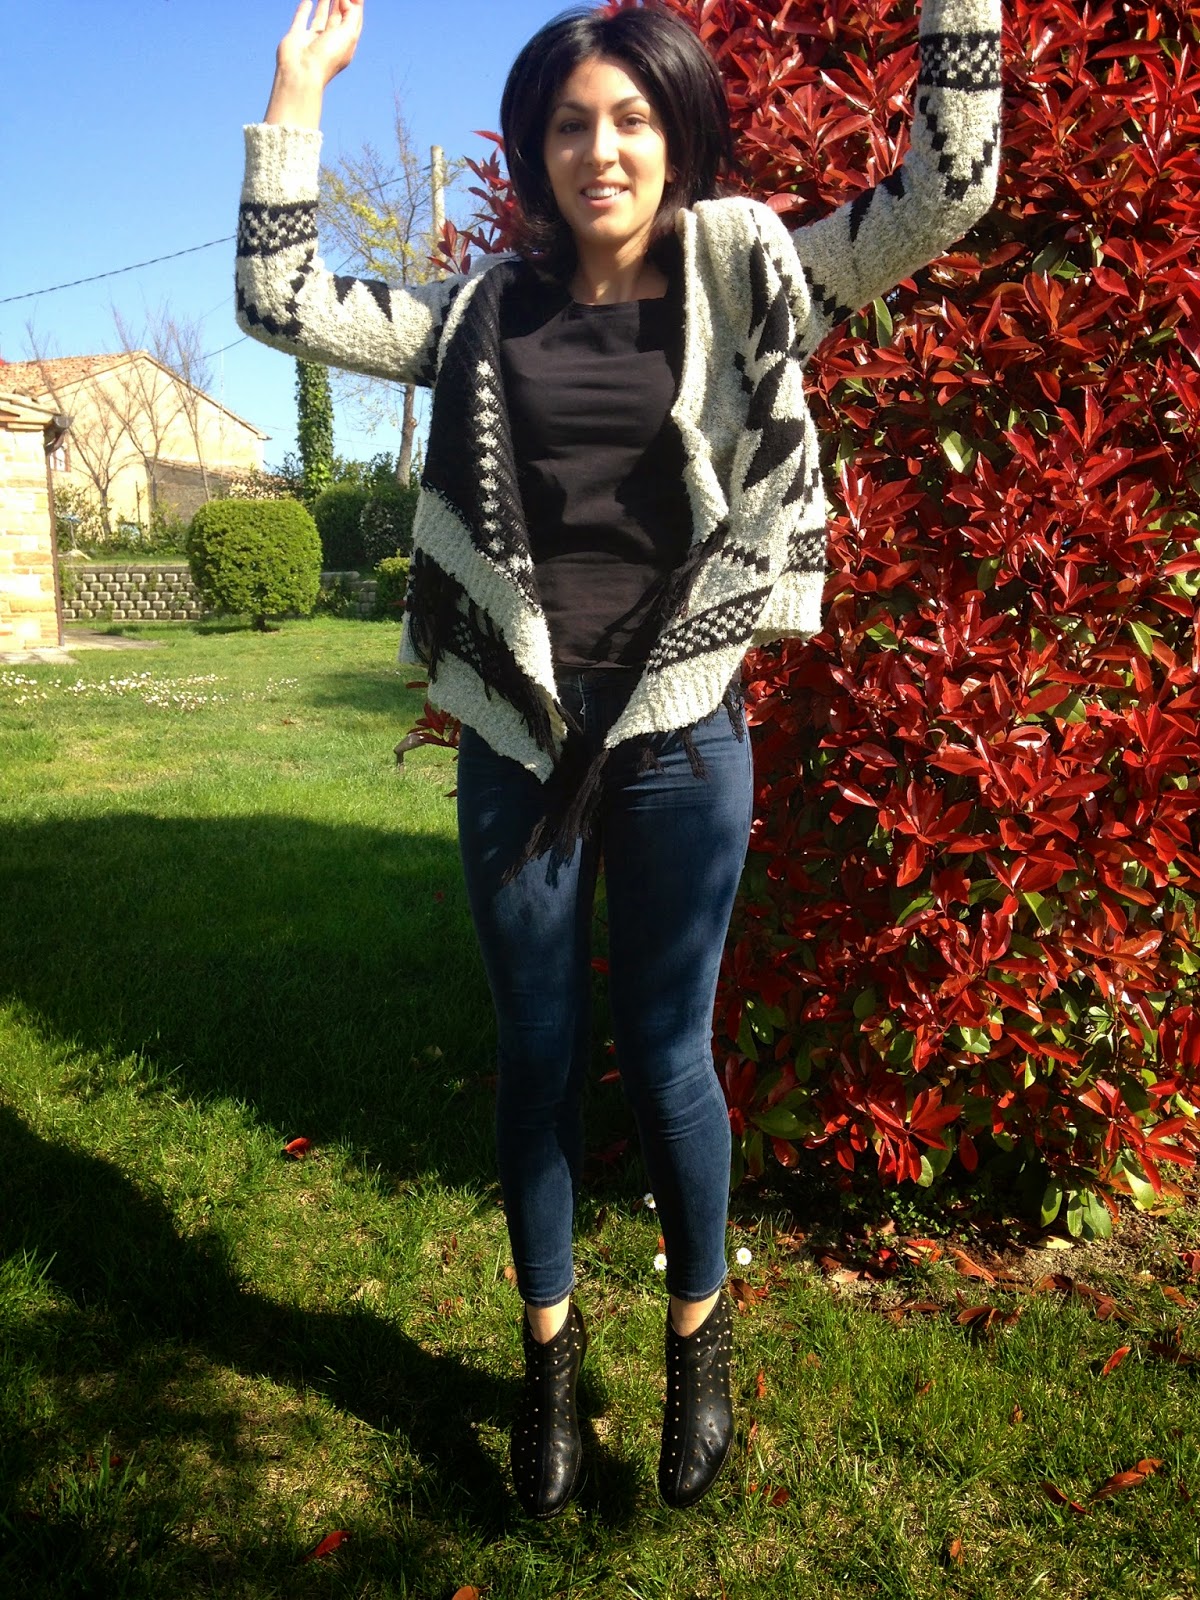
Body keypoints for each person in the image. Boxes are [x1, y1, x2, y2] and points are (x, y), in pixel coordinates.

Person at [237, 0, 1002, 1517]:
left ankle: (695, 1343)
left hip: (681, 735)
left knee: (667, 1058)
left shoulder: (751, 269)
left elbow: (947, 192)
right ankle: (548, 1364)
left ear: (679, 134)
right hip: (520, 739)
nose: (603, 149)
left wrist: (961, 15)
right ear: (536, 149)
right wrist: (296, 89)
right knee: (535, 1058)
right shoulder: (479, 313)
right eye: (573, 123)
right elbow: (279, 301)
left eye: (633, 120)